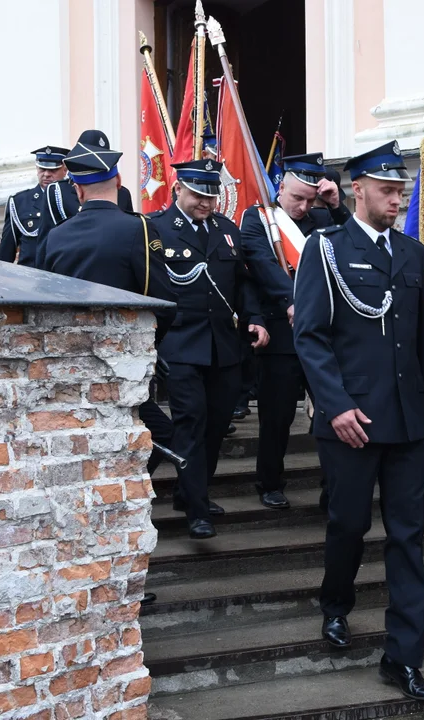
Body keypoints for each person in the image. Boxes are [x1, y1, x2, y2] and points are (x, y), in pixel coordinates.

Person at [293, 141, 424, 701]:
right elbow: (310, 335)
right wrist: (334, 404)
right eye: (387, 189)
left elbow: (420, 338)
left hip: (404, 421)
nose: (396, 198)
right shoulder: (325, 249)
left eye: (401, 189)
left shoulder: (410, 251)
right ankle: (336, 604)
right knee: (348, 525)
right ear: (358, 190)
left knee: (409, 538)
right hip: (350, 419)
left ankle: (402, 657)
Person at [41, 137, 179, 604]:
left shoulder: (53, 238)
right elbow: (162, 301)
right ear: (116, 182)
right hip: (125, 377)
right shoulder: (140, 230)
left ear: (76, 189)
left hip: (68, 379)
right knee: (155, 445)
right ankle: (114, 575)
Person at [146, 159, 269, 539]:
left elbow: (243, 284)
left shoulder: (227, 231)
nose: (206, 203)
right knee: (190, 423)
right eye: (198, 194)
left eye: (211, 195)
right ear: (178, 189)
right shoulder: (154, 231)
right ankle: (197, 509)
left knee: (216, 425)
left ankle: (191, 491)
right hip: (180, 346)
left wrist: (255, 317)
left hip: (224, 347)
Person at [238, 152, 350, 509]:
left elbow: (353, 244)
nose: (303, 206)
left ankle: (334, 485)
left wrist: (336, 205)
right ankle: (269, 481)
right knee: (277, 415)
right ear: (280, 186)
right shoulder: (258, 220)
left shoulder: (322, 219)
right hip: (282, 335)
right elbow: (260, 263)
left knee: (334, 411)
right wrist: (292, 302)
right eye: (296, 197)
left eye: (310, 199)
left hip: (325, 336)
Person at [34, 130, 134, 269]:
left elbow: (129, 237)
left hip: (111, 265)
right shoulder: (57, 191)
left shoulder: (122, 193)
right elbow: (46, 238)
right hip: (72, 265)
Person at [0, 146, 69, 266]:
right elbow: (6, 252)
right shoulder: (20, 202)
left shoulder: (75, 198)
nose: (46, 174)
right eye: (42, 169)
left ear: (65, 169)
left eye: (53, 170)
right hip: (30, 278)